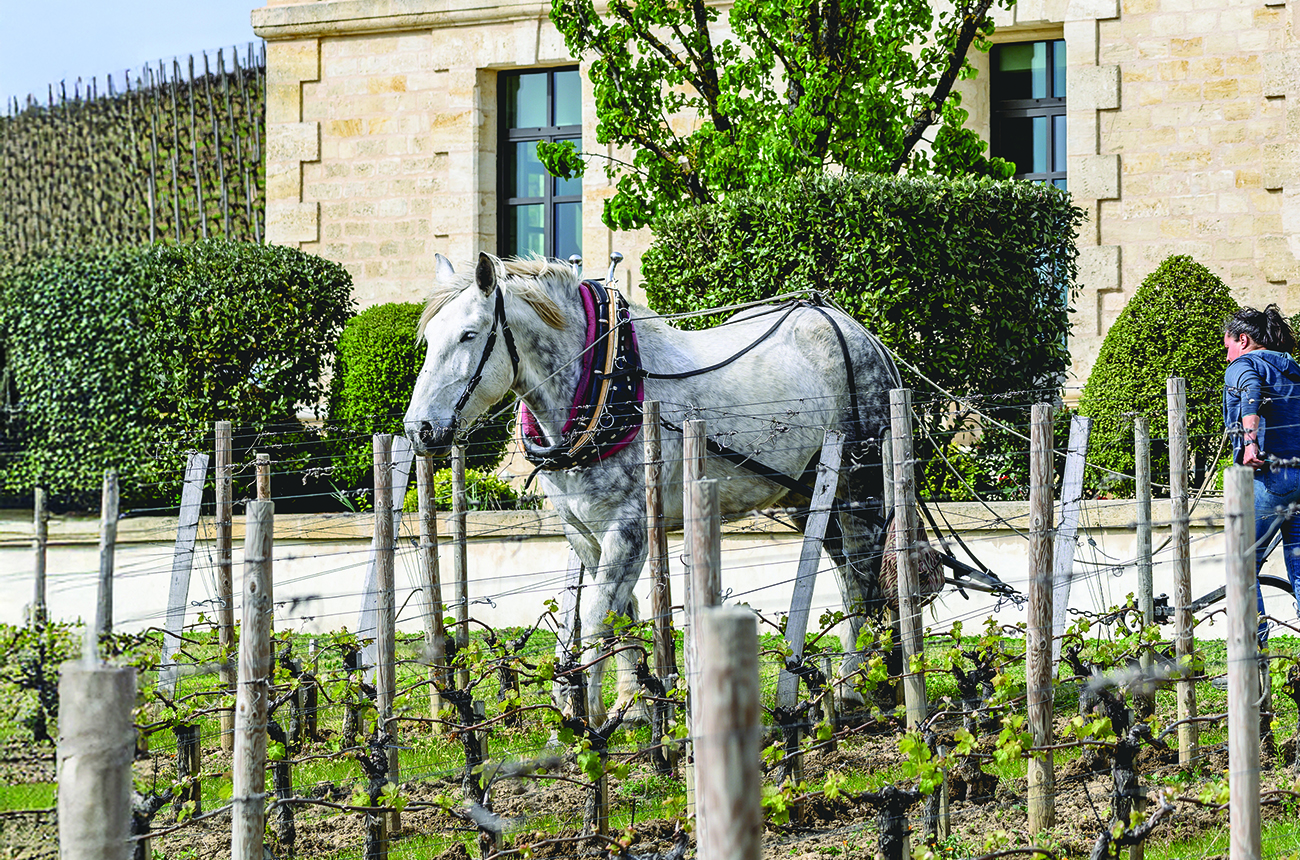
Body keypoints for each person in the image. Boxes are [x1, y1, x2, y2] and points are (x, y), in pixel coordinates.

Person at [1222, 304, 1300, 642]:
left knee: (1242, 565)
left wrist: (1250, 442)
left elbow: (1251, 391)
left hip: (1271, 480)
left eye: (1226, 347)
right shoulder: (1293, 368)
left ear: (1243, 339)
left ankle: (1254, 660)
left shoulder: (1245, 364)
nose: (1226, 357)